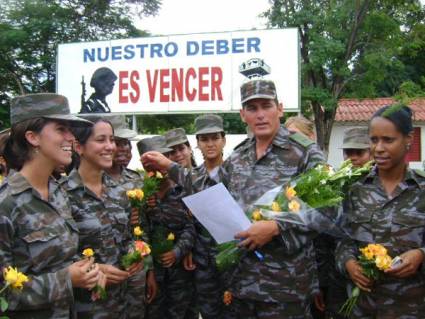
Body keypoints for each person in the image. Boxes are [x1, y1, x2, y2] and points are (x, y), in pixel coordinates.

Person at [143, 79, 325, 318]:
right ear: (242, 115)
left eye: (266, 106)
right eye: (252, 108)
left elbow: (330, 209)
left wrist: (276, 226)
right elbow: (208, 189)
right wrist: (168, 166)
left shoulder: (305, 152)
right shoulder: (239, 156)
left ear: (279, 109)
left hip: (285, 287)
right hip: (241, 284)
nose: (260, 115)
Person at [0, 93, 102, 318]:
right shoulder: (6, 203)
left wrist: (87, 272)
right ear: (32, 137)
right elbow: (3, 295)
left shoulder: (57, 192)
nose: (71, 138)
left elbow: (62, 257)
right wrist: (66, 280)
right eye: (61, 129)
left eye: (70, 130)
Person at [336, 104, 425, 318]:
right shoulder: (354, 188)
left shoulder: (421, 189)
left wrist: (421, 254)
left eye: (388, 140)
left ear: (408, 139)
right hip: (362, 307)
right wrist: (348, 264)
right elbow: (341, 239)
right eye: (374, 140)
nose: (379, 148)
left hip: (410, 307)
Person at [62, 116, 143, 318]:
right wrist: (95, 269)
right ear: (79, 147)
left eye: (112, 139)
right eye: (101, 140)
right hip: (88, 304)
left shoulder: (119, 191)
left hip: (126, 300)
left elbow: (127, 236)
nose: (110, 147)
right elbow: (55, 255)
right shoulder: (62, 195)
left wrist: (134, 251)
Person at [137, 136, 196, 319]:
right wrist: (148, 270)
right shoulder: (141, 193)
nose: (155, 169)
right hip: (154, 272)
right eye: (149, 164)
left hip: (181, 273)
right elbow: (140, 233)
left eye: (159, 161)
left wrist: (178, 251)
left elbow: (192, 226)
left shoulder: (184, 189)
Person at [105, 115, 157, 317]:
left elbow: (143, 230)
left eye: (127, 143)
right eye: (119, 142)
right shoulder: (92, 181)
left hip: (135, 268)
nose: (125, 148)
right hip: (105, 270)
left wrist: (149, 270)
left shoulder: (136, 180)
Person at [183, 114, 227, 319]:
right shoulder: (192, 178)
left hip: (232, 258)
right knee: (209, 311)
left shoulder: (237, 174)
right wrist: (189, 248)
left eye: (214, 138)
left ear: (223, 140)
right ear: (197, 144)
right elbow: (188, 221)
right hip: (203, 260)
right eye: (204, 139)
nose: (210, 144)